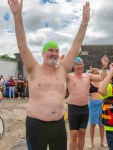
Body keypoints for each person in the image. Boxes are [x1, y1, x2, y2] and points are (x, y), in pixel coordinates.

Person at [8, 0, 90, 149]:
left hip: (58, 125)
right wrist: (17, 15)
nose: (54, 53)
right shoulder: (33, 68)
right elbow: (22, 44)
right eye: (50, 50)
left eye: (56, 51)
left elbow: (75, 46)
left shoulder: (63, 69)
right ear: (43, 53)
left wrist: (84, 22)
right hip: (36, 125)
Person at [67, 55, 108, 150]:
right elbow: (59, 75)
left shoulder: (88, 76)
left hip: (84, 108)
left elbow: (102, 77)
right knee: (73, 134)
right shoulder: (69, 76)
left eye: (81, 64)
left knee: (82, 133)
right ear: (74, 66)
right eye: (77, 65)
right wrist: (62, 62)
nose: (80, 66)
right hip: (73, 108)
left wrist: (105, 66)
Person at [88, 68, 107, 149]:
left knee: (101, 124)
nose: (96, 75)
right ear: (92, 74)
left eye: (98, 73)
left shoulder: (102, 82)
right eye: (95, 73)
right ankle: (91, 143)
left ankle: (102, 141)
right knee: (92, 124)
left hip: (102, 104)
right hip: (92, 104)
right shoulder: (89, 82)